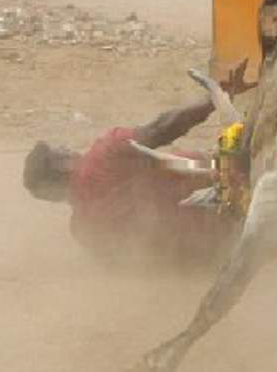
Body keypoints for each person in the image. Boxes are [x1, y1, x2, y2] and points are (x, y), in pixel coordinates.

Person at [23, 62, 254, 264]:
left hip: (217, 256)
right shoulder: (102, 156)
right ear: (61, 165)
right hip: (237, 202)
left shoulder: (83, 232)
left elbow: (134, 263)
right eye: (61, 149)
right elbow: (162, 128)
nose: (69, 148)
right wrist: (216, 97)